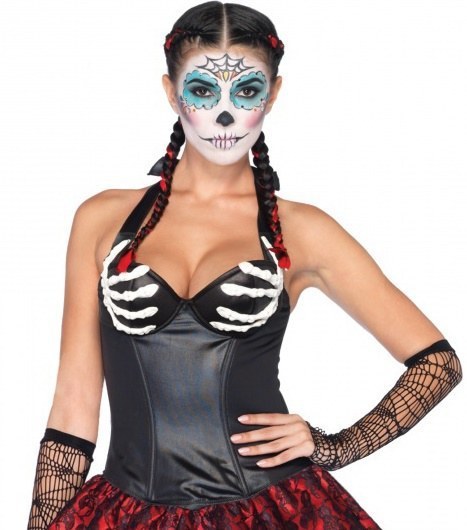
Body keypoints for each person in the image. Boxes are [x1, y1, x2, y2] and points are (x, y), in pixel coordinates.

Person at [26, 2, 463, 529]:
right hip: (127, 510)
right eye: (203, 91)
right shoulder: (101, 219)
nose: (225, 116)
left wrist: (333, 446)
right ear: (170, 92)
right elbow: (73, 403)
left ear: (273, 95)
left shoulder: (302, 229)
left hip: (270, 509)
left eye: (247, 91)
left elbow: (438, 364)